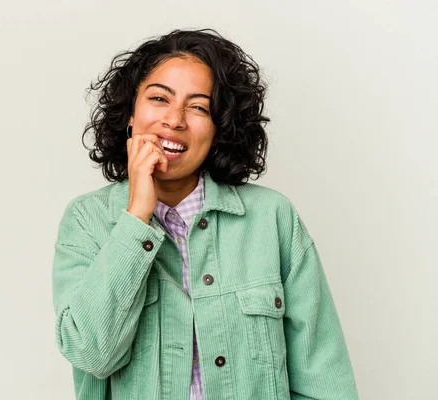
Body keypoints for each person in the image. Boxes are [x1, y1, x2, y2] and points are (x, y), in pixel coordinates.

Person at [52, 28, 359, 399]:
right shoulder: (88, 220)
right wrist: (137, 217)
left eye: (198, 106)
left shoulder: (272, 218)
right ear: (131, 114)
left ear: (219, 128)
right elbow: (91, 353)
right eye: (159, 98)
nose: (175, 120)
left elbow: (325, 380)